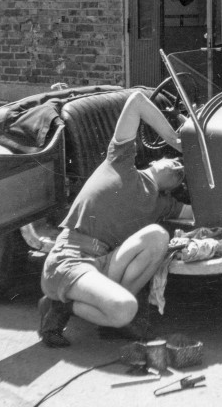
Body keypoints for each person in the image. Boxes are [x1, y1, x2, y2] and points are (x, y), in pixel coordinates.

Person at [38, 90, 186, 347]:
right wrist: (176, 140)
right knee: (126, 308)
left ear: (172, 189)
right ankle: (62, 307)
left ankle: (109, 318)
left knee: (158, 237)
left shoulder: (162, 204)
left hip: (104, 260)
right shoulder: (120, 162)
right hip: (70, 258)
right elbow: (137, 101)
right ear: (159, 157)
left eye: (182, 174)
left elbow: (206, 213)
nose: (178, 167)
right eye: (175, 161)